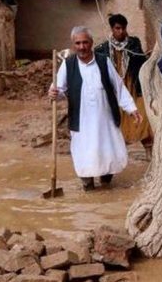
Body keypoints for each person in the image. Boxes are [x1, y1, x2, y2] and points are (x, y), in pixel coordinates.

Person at [49, 26, 142, 191]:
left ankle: (106, 183)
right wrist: (54, 93)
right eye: (78, 43)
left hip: (104, 119)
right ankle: (88, 184)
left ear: (91, 43)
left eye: (85, 42)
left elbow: (118, 87)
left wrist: (132, 109)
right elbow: (59, 90)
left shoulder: (103, 61)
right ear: (73, 45)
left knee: (107, 153)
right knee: (84, 153)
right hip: (81, 120)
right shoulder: (67, 65)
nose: (82, 47)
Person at [95, 14, 154, 160]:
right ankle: (117, 156)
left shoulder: (133, 44)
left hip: (133, 86)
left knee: (142, 116)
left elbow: (141, 63)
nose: (120, 31)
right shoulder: (102, 48)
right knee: (116, 121)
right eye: (117, 28)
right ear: (112, 29)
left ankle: (148, 151)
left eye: (123, 28)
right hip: (114, 90)